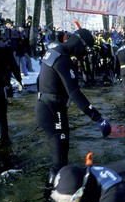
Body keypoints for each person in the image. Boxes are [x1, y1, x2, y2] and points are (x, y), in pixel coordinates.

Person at [35, 28, 112, 186]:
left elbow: (40, 80)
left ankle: (56, 194)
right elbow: (75, 93)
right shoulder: (63, 59)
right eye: (85, 49)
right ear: (79, 43)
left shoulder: (53, 52)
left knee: (61, 159)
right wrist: (98, 119)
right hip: (52, 109)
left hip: (46, 105)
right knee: (59, 162)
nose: (84, 54)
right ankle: (50, 201)